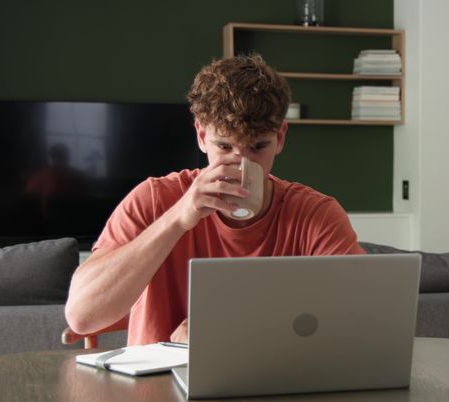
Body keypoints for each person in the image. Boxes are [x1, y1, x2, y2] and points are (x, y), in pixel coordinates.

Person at [65, 55, 364, 346]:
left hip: (272, 385)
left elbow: (363, 317)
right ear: (201, 135)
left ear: (281, 138)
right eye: (224, 146)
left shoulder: (315, 214)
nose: (242, 164)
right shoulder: (155, 199)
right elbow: (81, 317)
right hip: (159, 389)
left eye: (259, 147)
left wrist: (221, 331)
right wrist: (178, 218)